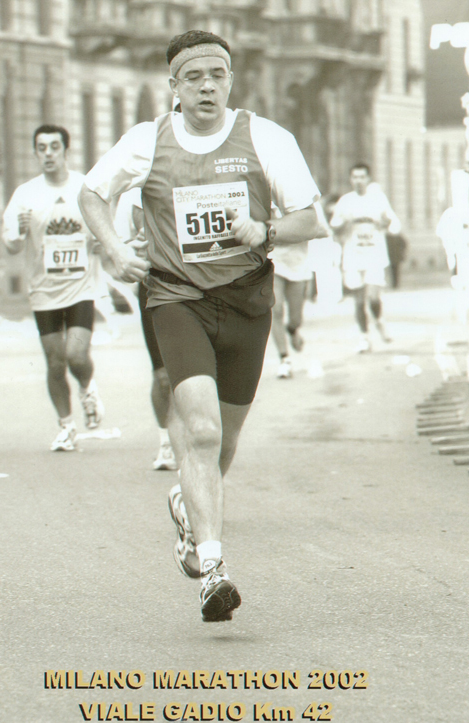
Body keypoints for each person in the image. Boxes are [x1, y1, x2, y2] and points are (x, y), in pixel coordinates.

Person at [79, 30, 321, 622]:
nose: (207, 84)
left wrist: (262, 231)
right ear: (175, 87)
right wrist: (113, 247)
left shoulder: (265, 137)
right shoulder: (146, 141)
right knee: (203, 432)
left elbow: (309, 219)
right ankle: (213, 569)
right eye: (194, 76)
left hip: (246, 300)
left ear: (231, 79)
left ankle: (188, 509)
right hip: (176, 297)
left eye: (217, 73)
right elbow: (92, 194)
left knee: (225, 442)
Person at [2, 124, 105, 452]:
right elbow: (11, 245)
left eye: (53, 147)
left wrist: (100, 242)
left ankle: (88, 388)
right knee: (54, 362)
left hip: (80, 288)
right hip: (44, 290)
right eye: (41, 148)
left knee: (75, 355)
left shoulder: (83, 188)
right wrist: (17, 233)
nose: (47, 154)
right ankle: (66, 426)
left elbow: (103, 230)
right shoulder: (26, 194)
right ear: (35, 153)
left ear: (65, 151)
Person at [114, 188, 177, 470]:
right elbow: (119, 252)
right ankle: (166, 441)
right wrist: (130, 252)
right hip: (153, 286)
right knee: (163, 375)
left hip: (198, 283)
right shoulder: (130, 197)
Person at [330, 165, 401, 353]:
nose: (358, 181)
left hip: (374, 254)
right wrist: (345, 222)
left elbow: (390, 221)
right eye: (355, 177)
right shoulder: (345, 202)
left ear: (368, 179)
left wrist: (381, 222)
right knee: (359, 301)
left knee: (373, 298)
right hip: (353, 255)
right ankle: (364, 337)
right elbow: (334, 227)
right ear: (350, 180)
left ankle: (379, 320)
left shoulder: (378, 199)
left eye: (362, 177)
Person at [269, 209, 311, 379]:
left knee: (295, 319)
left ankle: (293, 330)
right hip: (274, 262)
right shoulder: (267, 200)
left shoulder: (303, 202)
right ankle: (284, 359)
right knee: (276, 309)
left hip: (297, 264)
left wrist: (285, 231)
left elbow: (321, 229)